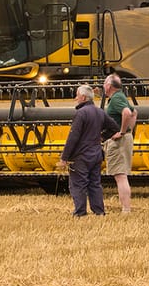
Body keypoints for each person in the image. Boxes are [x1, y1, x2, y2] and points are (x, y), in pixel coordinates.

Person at [59, 84, 117, 217]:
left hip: (81, 156)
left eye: (77, 96)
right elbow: (114, 127)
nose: (76, 98)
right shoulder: (100, 112)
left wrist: (64, 158)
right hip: (96, 154)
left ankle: (80, 213)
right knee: (95, 184)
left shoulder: (81, 113)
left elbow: (73, 137)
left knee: (78, 185)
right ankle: (99, 211)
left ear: (83, 97)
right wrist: (102, 137)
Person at [102, 74, 137, 213]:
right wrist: (129, 131)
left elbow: (127, 113)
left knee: (120, 176)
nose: (104, 86)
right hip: (125, 139)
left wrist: (122, 132)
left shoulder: (116, 98)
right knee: (121, 175)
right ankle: (125, 208)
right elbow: (135, 113)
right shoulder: (120, 96)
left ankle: (126, 209)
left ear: (109, 86)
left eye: (104, 84)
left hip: (119, 142)